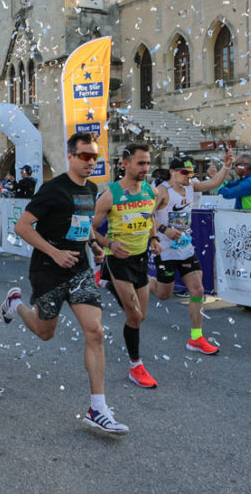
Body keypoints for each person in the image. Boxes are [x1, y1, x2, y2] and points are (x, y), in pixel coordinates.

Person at [0, 132, 128, 435]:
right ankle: (16, 303)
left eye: (94, 157)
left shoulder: (93, 188)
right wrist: (55, 252)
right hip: (48, 270)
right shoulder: (52, 189)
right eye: (84, 156)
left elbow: (82, 225)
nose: (90, 162)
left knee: (95, 331)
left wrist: (95, 245)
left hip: (80, 270)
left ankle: (98, 408)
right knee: (45, 332)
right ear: (70, 156)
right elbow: (22, 226)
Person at [91, 142, 161, 390]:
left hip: (141, 259)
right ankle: (136, 366)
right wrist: (108, 242)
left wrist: (153, 238)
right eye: (141, 163)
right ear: (125, 164)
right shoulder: (110, 194)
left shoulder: (149, 191)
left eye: (148, 163)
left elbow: (150, 215)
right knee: (134, 315)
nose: (145, 168)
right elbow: (88, 228)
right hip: (118, 258)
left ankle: (106, 281)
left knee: (140, 317)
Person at [149, 155, 233, 355]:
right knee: (163, 294)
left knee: (197, 290)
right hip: (165, 249)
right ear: (173, 171)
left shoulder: (190, 187)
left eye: (191, 172)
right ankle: (143, 282)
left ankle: (196, 338)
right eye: (184, 172)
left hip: (185, 248)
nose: (188, 176)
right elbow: (146, 216)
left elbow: (213, 182)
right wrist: (164, 230)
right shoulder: (161, 191)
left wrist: (226, 167)